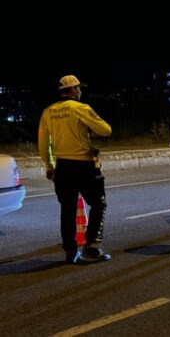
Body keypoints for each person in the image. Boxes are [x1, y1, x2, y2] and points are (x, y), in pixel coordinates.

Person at [38, 75, 113, 264]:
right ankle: (92, 246)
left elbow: (43, 143)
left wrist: (49, 165)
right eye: (79, 89)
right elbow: (106, 130)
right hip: (84, 165)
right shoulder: (80, 109)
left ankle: (70, 252)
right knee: (98, 203)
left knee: (67, 209)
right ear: (72, 90)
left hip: (62, 166)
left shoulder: (48, 112)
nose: (80, 92)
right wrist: (89, 129)